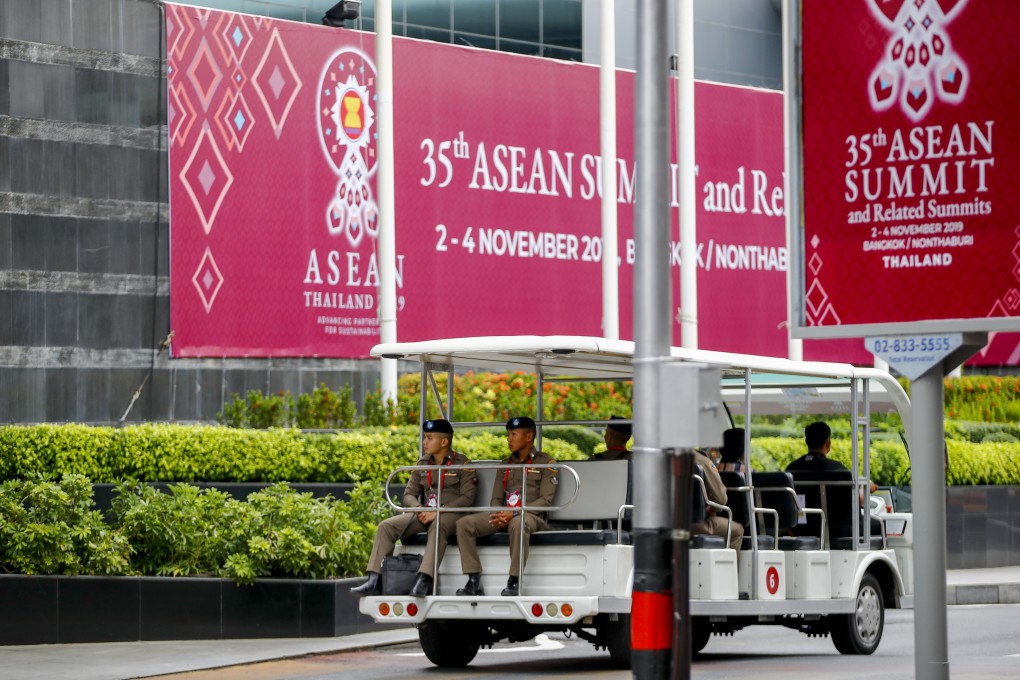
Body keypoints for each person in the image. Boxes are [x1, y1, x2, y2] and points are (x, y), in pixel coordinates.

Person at [350, 419, 476, 597]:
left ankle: (425, 579)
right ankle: (374, 579)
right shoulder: (423, 463)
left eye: (429, 438)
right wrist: (419, 508)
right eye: (425, 437)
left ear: (444, 442)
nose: (424, 442)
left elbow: (467, 498)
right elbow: (409, 494)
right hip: (425, 512)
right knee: (386, 526)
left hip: (451, 513)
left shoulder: (463, 465)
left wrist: (438, 511)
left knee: (438, 525)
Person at [455, 416, 558, 597]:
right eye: (508, 434)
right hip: (505, 515)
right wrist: (499, 513)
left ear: (528, 437)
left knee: (518, 524)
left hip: (532, 517)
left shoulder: (546, 463)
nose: (508, 439)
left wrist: (516, 513)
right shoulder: (505, 464)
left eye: (513, 434)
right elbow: (496, 498)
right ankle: (473, 580)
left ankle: (514, 581)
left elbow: (545, 500)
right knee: (464, 524)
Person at [786, 421, 879, 495]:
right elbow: (858, 499)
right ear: (828, 443)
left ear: (806, 441)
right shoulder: (838, 471)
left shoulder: (790, 470)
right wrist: (865, 486)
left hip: (799, 519)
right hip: (834, 519)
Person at [692, 449, 743, 552]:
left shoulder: (657, 456)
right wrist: (712, 509)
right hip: (693, 525)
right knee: (737, 530)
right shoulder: (701, 460)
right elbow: (720, 499)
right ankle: (731, 568)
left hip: (664, 523)